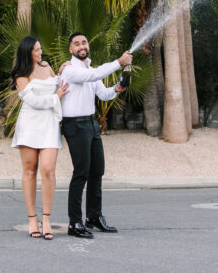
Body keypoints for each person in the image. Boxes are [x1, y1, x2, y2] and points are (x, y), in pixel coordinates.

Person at [59, 32, 132, 238]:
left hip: (91, 124)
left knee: (97, 171)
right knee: (81, 173)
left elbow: (103, 94)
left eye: (84, 42)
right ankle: (75, 222)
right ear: (71, 50)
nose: (81, 46)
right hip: (75, 125)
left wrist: (117, 88)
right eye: (76, 44)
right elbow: (94, 76)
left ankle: (93, 217)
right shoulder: (70, 70)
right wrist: (119, 61)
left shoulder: (89, 69)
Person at [11, 35, 68, 240]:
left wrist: (63, 70)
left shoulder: (46, 66)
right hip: (29, 126)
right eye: (36, 50)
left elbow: (59, 84)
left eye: (40, 49)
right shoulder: (21, 73)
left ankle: (46, 218)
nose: (40, 52)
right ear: (27, 52)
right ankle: (32, 218)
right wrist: (57, 97)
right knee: (29, 171)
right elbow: (33, 101)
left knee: (48, 170)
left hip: (49, 125)